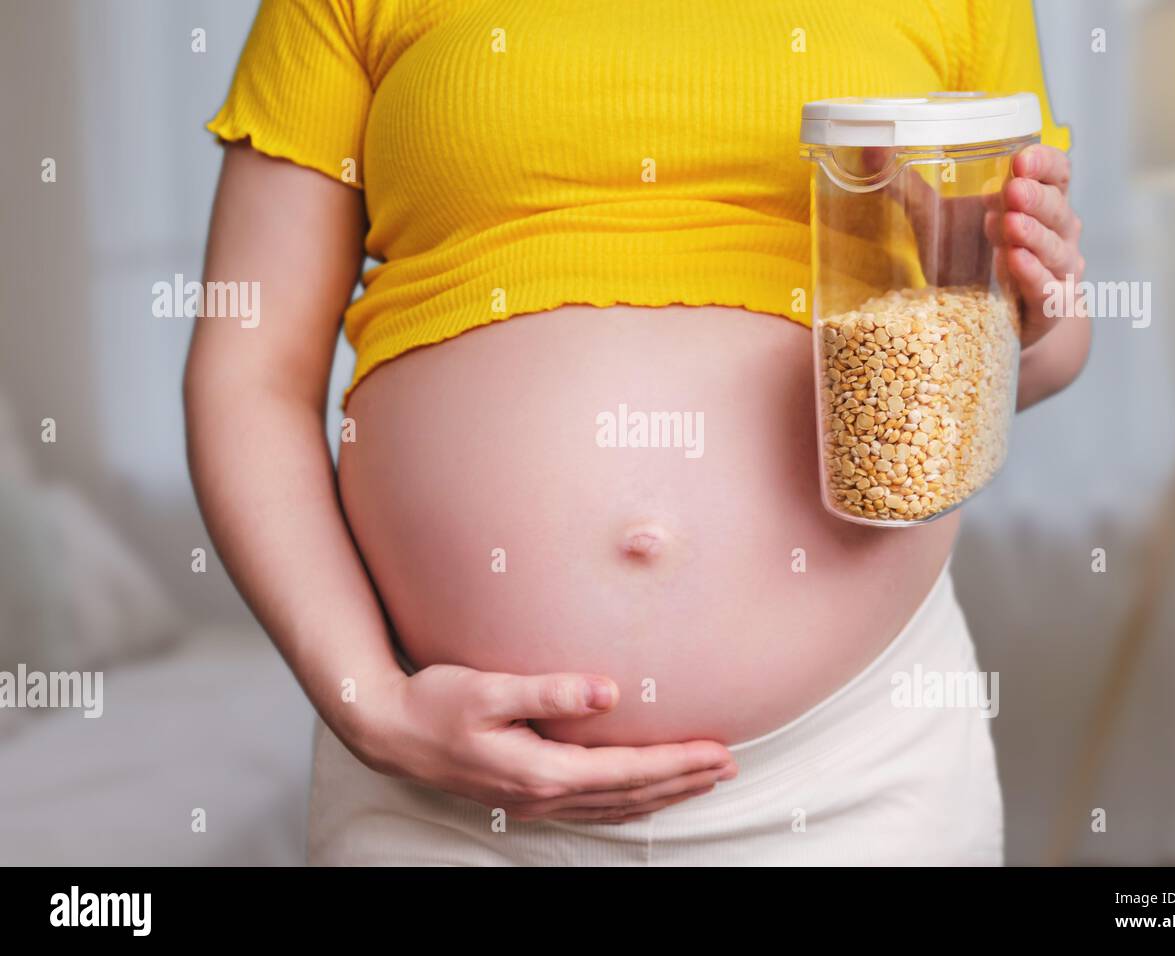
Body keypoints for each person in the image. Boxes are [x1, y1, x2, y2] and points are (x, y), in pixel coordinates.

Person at [185, 0, 1088, 865]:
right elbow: (250, 374)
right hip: (447, 800)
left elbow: (1039, 350)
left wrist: (1017, 305)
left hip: (850, 772)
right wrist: (370, 704)